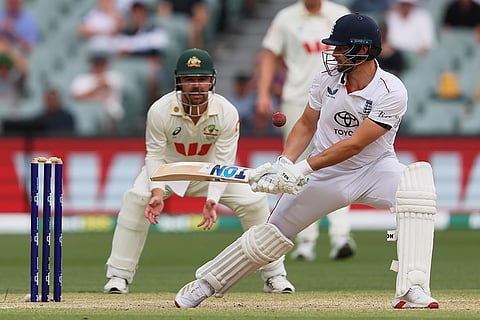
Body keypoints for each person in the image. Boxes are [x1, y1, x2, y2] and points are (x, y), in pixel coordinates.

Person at [175, 13, 439, 309]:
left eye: (340, 48)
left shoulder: (391, 91)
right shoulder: (326, 79)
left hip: (374, 169)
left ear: (362, 50)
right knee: (269, 236)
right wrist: (284, 164)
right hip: (324, 176)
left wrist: (301, 167)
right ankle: (205, 284)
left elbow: (355, 144)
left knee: (416, 191)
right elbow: (305, 124)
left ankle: (412, 288)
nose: (334, 53)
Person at [103, 48, 294, 295]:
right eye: (190, 79)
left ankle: (274, 275)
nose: (197, 85)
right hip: (170, 170)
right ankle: (119, 276)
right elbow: (154, 156)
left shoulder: (226, 111)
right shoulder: (160, 110)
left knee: (255, 202)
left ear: (211, 80)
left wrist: (212, 199)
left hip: (212, 171)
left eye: (202, 79)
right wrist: (157, 193)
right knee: (136, 199)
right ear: (179, 81)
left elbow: (225, 162)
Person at [255, 0, 355, 261]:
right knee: (296, 170)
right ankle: (305, 241)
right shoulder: (286, 18)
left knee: (338, 166)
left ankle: (340, 236)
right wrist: (263, 93)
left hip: (337, 96)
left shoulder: (339, 14)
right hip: (299, 100)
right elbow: (269, 55)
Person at [70, 50, 124, 134]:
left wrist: (89, 94)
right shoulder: (82, 79)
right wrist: (94, 91)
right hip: (87, 115)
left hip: (110, 115)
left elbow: (107, 86)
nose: (99, 66)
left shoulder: (114, 75)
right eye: (96, 63)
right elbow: (75, 96)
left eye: (101, 63)